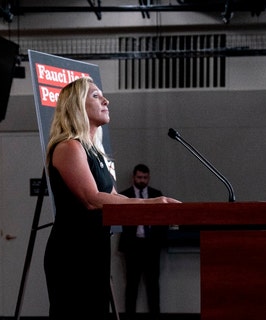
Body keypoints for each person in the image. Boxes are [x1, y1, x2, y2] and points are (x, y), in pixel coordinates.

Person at [43, 76, 180, 320]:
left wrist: (156, 210)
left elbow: (114, 197)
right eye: (96, 96)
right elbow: (93, 199)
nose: (106, 101)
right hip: (73, 252)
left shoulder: (95, 151)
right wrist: (150, 203)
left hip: (95, 247)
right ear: (76, 106)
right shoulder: (69, 147)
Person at [118, 164, 167, 320]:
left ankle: (155, 315)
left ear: (149, 178)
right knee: (132, 285)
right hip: (133, 246)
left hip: (151, 246)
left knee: (153, 285)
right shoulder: (124, 196)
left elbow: (162, 221)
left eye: (145, 178)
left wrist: (159, 242)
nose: (142, 180)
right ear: (133, 177)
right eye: (139, 177)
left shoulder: (156, 194)